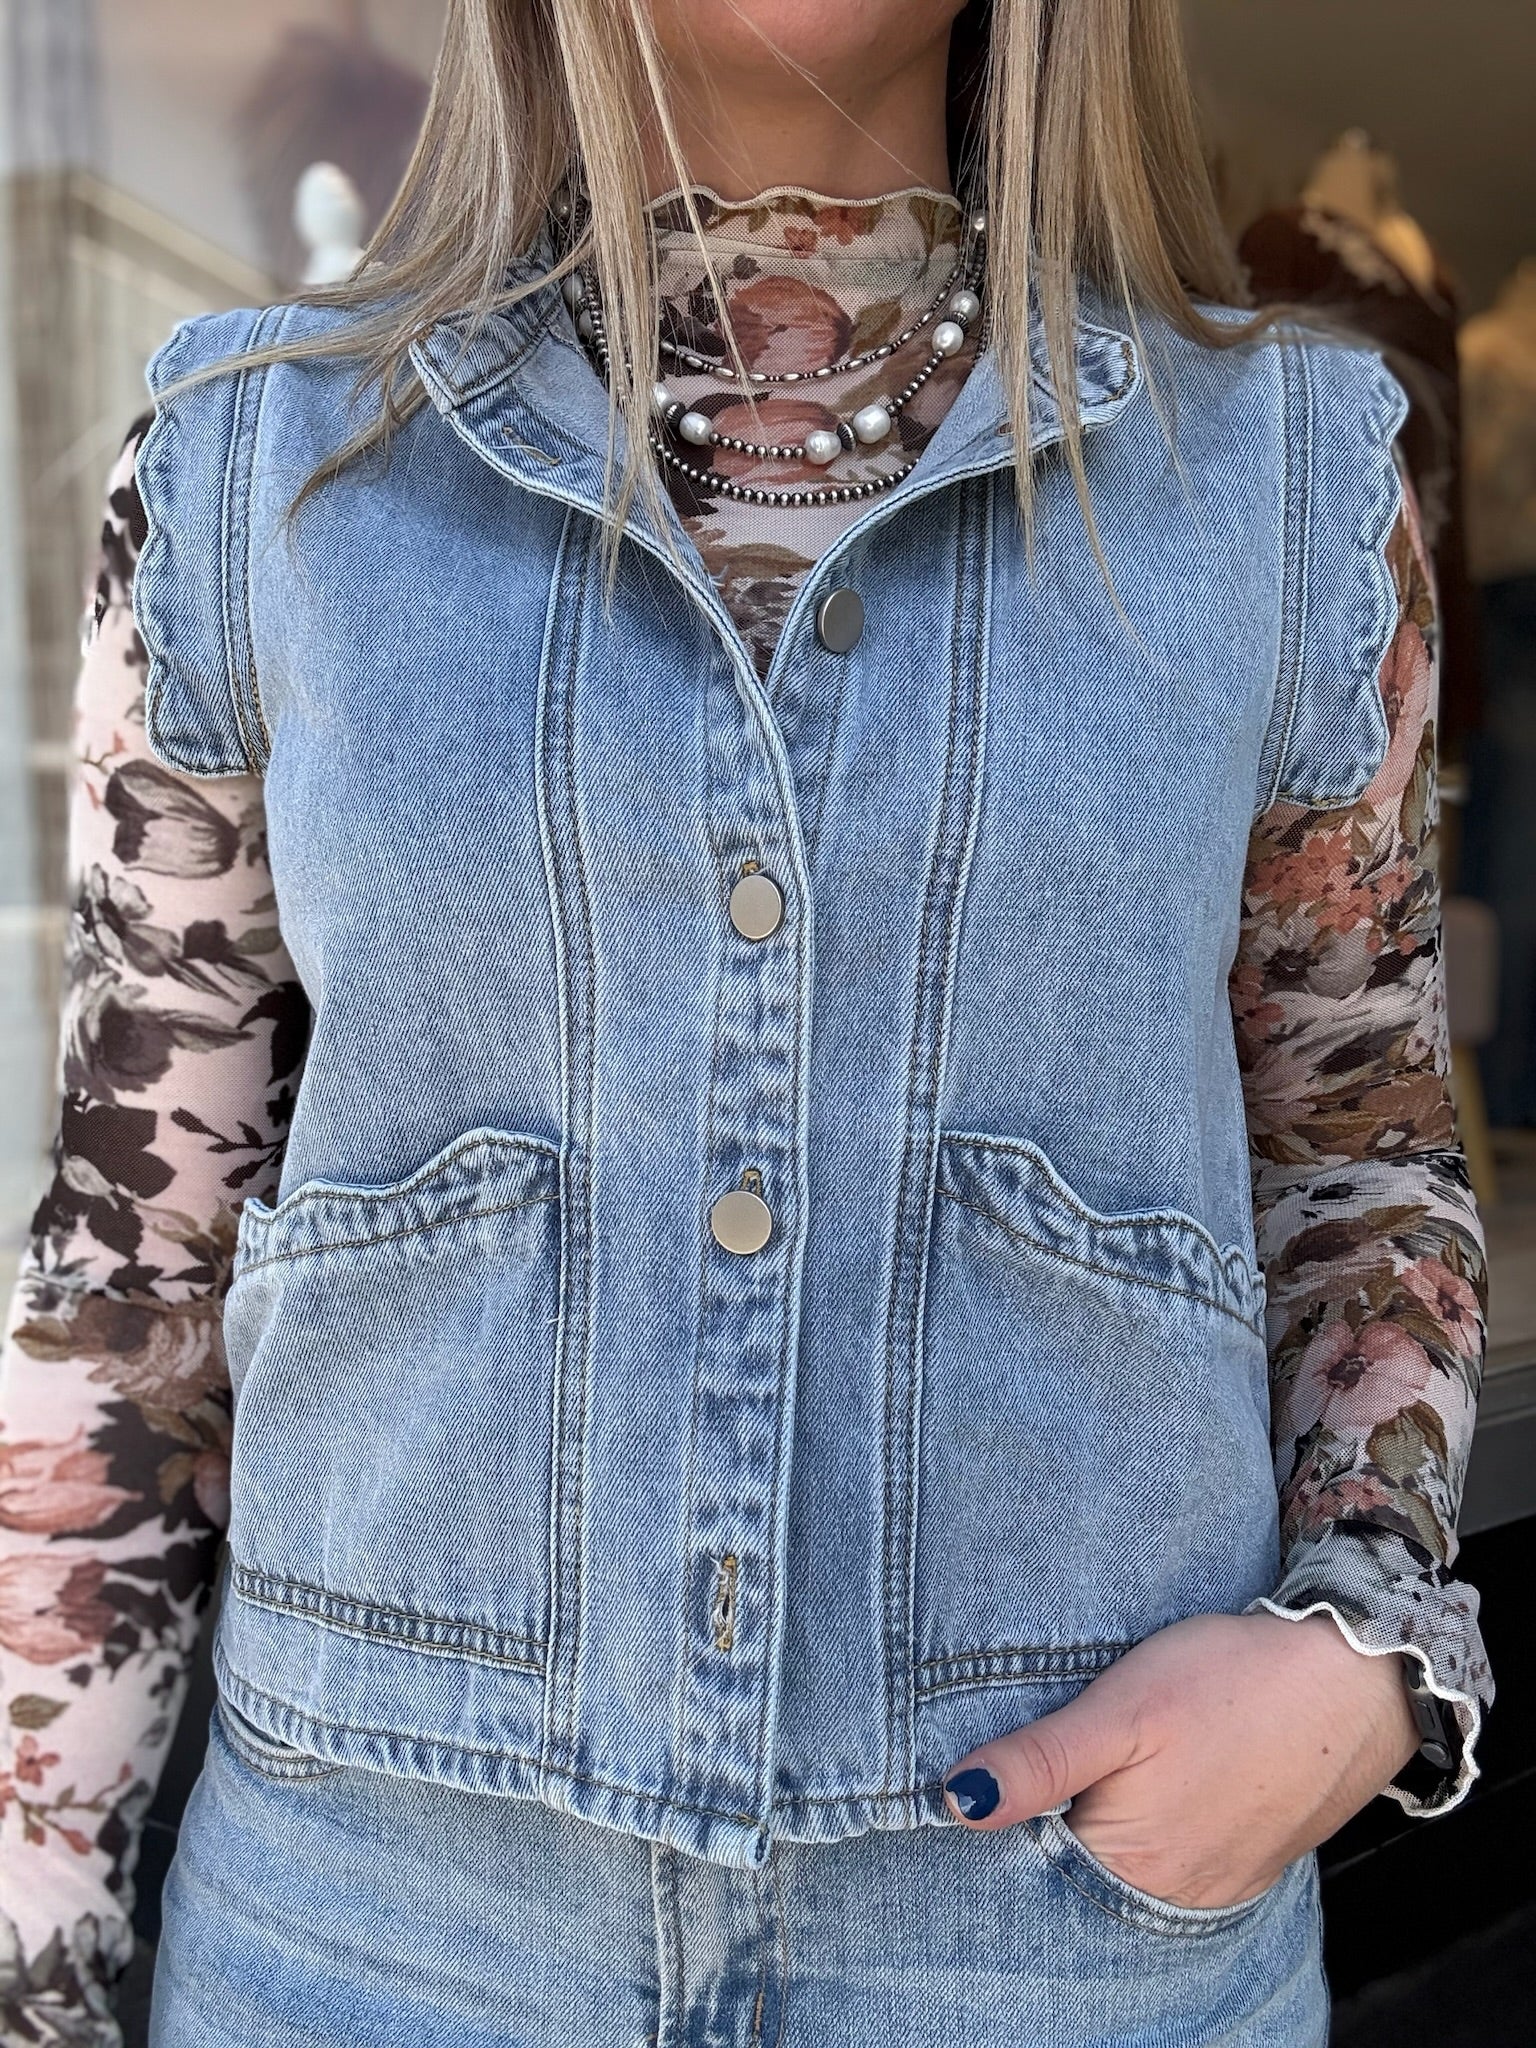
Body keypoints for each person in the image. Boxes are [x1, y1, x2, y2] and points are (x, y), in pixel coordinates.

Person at [0, 1, 1490, 2043]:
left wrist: (1367, 1641)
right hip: (370, 1938)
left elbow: (1360, 1153)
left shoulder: (1285, 480)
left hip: (1064, 1937)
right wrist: (41, 1973)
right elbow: (129, 1275)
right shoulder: (251, 461)